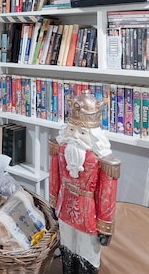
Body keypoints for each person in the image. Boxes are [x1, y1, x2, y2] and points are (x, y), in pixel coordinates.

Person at [49, 90, 120, 274]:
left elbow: (107, 194)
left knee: (87, 255)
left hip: (88, 214)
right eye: (72, 130)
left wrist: (105, 225)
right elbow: (55, 177)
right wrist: (53, 201)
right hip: (65, 207)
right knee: (67, 249)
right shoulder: (61, 148)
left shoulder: (105, 162)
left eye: (82, 132)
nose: (75, 137)